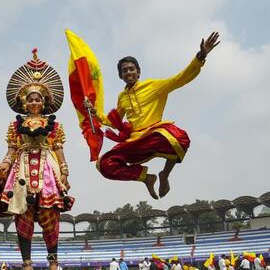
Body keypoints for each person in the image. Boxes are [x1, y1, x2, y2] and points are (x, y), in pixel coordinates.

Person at [85, 32, 220, 199]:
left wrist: (201, 56)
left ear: (138, 72)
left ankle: (165, 174)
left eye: (131, 69)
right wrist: (94, 112)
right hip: (136, 141)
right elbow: (114, 121)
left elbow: (181, 78)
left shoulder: (153, 86)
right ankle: (146, 178)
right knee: (104, 164)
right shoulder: (122, 97)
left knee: (179, 138)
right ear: (120, 76)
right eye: (124, 71)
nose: (128, 72)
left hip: (155, 135)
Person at [0, 49, 74, 270]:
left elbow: (59, 149)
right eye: (30, 99)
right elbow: (11, 149)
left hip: (47, 168)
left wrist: (63, 171)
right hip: (21, 169)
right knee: (23, 213)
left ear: (44, 102)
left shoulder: (54, 125)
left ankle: (53, 262)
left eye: (38, 99)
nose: (33, 102)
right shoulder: (15, 125)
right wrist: (4, 165)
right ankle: (27, 263)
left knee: (51, 213)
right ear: (24, 102)